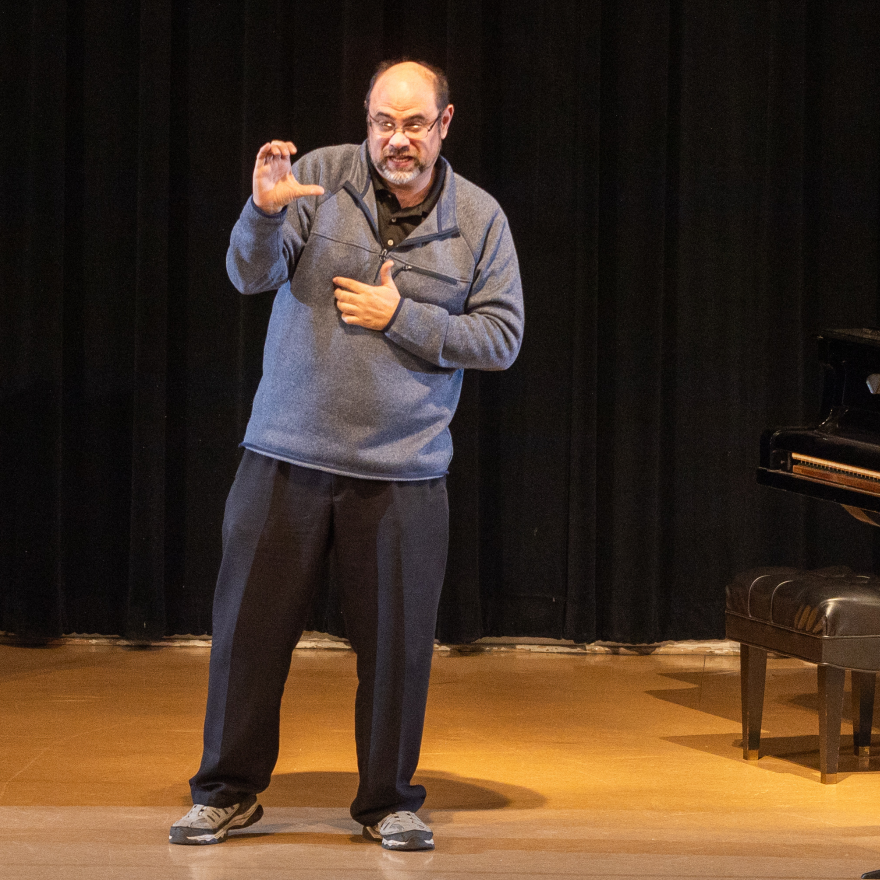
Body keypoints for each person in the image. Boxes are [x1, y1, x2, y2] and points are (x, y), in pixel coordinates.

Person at [169, 59, 524, 851]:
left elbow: (501, 337)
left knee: (397, 649)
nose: (397, 140)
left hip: (403, 472)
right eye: (383, 123)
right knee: (247, 637)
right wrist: (261, 214)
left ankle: (388, 801)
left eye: (414, 124)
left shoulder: (480, 219)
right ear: (366, 120)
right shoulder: (318, 178)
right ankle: (225, 791)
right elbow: (248, 274)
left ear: (445, 123)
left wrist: (403, 315)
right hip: (284, 455)